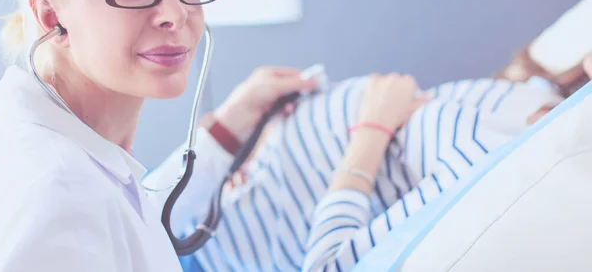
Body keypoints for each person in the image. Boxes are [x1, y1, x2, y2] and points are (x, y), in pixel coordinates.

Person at [0, 0, 316, 271]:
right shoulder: (56, 194)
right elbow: (87, 215)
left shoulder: (70, 161)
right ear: (51, 15)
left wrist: (226, 131)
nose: (175, 14)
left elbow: (125, 223)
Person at [163, 52, 590, 271]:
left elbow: (329, 267)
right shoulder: (540, 92)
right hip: (205, 199)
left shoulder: (499, 156)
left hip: (206, 255)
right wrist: (236, 134)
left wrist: (370, 131)